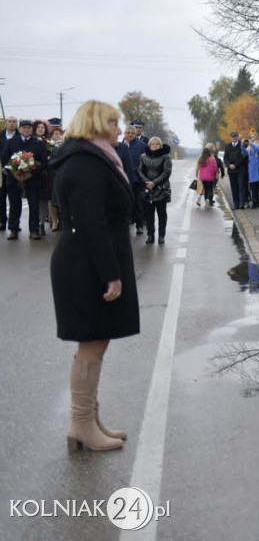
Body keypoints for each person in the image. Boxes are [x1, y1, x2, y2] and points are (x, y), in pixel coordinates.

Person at [49, 100, 138, 452]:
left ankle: (88, 419)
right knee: (92, 340)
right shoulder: (86, 162)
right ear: (96, 124)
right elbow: (91, 224)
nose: (120, 129)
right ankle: (81, 424)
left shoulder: (94, 156)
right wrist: (110, 275)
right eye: (114, 122)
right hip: (85, 262)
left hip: (89, 258)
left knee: (97, 339)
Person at [2, 118, 49, 239]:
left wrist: (30, 173)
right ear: (20, 129)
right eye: (24, 128)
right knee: (14, 204)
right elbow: (5, 158)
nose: (26, 130)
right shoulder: (12, 142)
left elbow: (43, 162)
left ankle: (34, 230)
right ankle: (13, 229)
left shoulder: (38, 143)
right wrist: (12, 171)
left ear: (31, 129)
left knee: (33, 205)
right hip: (14, 178)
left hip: (32, 179)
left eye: (28, 128)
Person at [138, 136, 172, 244]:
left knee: (162, 213)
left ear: (160, 145)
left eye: (157, 144)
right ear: (149, 145)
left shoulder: (165, 157)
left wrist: (155, 182)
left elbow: (167, 172)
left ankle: (161, 235)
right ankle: (150, 235)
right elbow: (139, 170)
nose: (155, 146)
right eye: (153, 144)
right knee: (149, 214)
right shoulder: (143, 157)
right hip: (147, 188)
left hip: (161, 189)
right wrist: (147, 182)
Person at [122, 125, 146, 234]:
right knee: (124, 202)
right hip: (122, 179)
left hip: (136, 179)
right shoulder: (119, 146)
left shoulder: (141, 145)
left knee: (137, 203)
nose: (130, 135)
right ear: (124, 133)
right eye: (128, 132)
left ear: (135, 134)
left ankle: (139, 225)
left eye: (132, 133)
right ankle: (125, 223)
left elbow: (145, 162)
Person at [1, 115, 18, 232]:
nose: (12, 123)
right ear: (6, 123)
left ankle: (14, 224)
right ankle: (2, 221)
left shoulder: (19, 137)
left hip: (15, 172)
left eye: (14, 122)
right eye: (10, 121)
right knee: (1, 199)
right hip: (1, 172)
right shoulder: (1, 136)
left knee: (14, 200)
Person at [223, 131, 249, 209]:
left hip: (240, 169)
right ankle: (236, 204)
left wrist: (235, 164)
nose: (234, 138)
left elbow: (243, 157)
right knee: (234, 188)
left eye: (236, 136)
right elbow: (225, 157)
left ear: (238, 137)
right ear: (231, 137)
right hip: (231, 170)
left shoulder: (242, 146)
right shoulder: (227, 146)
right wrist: (229, 165)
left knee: (241, 187)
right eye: (233, 137)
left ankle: (242, 204)